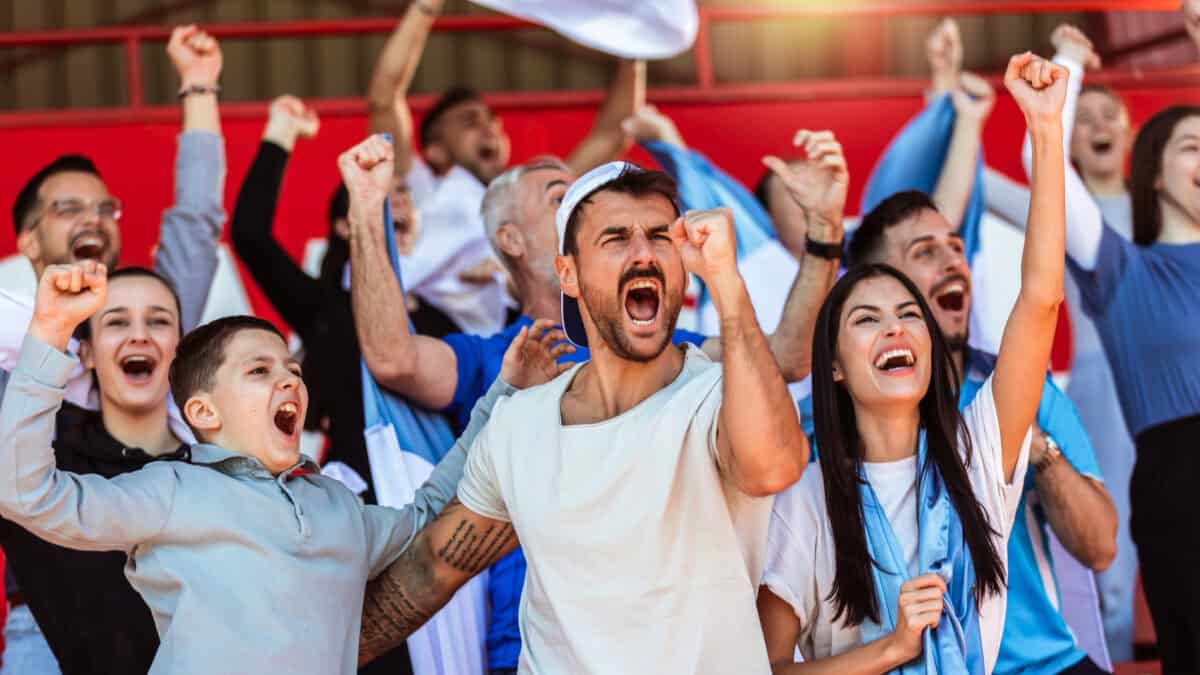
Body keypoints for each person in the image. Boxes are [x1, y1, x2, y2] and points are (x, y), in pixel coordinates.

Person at [351, 131, 844, 672]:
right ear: (569, 273)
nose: (644, 253)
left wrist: (728, 282)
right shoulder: (519, 421)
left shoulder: (718, 396)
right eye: (615, 238)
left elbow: (772, 464)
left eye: (661, 237)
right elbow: (427, 574)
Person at [0, 246, 566, 673]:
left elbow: (430, 508)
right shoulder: (170, 489)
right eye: (258, 371)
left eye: (291, 370)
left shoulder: (339, 508)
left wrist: (504, 393)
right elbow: (27, 493)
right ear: (203, 411)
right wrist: (48, 335)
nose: (287, 380)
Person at [757, 51, 1070, 673]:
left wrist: (1044, 127)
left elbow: (1040, 300)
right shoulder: (807, 499)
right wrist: (893, 649)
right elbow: (768, 668)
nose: (895, 327)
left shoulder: (976, 454)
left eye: (907, 314)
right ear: (836, 367)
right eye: (866, 319)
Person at [0, 25, 227, 675]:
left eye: (104, 207)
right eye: (68, 208)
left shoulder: (145, 313)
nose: (93, 218)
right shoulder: (6, 346)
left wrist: (200, 84)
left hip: (172, 614)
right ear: (29, 240)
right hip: (44, 622)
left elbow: (196, 219)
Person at [984, 24, 1139, 662]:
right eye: (1087, 115)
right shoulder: (1065, 211)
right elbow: (1001, 176)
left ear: (1131, 132)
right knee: (1116, 555)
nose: (1100, 126)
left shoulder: (1160, 205)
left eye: (1113, 115)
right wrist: (1066, 64)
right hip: (1105, 388)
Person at [231, 94, 457, 511]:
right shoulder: (326, 307)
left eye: (405, 195)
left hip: (442, 494)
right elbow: (249, 233)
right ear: (343, 225)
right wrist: (281, 132)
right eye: (384, 198)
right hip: (353, 500)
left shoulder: (445, 317)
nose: (399, 203)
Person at [365, 0, 640, 338]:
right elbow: (384, 98)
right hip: (425, 340)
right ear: (435, 151)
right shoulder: (420, 188)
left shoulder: (525, 193)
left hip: (508, 348)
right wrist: (424, 9)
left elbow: (613, 134)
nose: (490, 129)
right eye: (470, 122)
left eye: (494, 123)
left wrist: (637, 43)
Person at [1055, 98, 1200, 672]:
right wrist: (1064, 65)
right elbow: (1046, 168)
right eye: (1192, 147)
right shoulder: (1122, 270)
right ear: (1153, 174)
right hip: (1184, 484)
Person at [0, 268, 190, 675]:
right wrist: (52, 327)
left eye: (158, 321)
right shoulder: (45, 472)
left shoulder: (227, 472)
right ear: (84, 352)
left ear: (181, 350)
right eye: (117, 321)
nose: (139, 335)